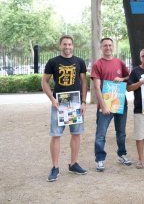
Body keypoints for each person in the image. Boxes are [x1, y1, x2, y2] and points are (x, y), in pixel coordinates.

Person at [42, 35, 88, 182]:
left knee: (76, 134)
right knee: (56, 135)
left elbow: (84, 82)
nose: (67, 47)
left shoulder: (80, 62)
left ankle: (73, 164)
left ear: (73, 46)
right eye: (64, 44)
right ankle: (55, 167)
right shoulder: (52, 62)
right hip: (59, 103)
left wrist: (83, 101)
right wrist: (52, 99)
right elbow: (44, 82)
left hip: (75, 102)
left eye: (69, 44)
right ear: (60, 45)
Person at [91, 38, 132, 172]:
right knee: (101, 134)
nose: (108, 47)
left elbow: (128, 77)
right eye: (105, 46)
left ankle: (122, 155)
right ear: (101, 48)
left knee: (121, 133)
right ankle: (100, 160)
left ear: (113, 47)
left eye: (110, 45)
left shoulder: (119, 62)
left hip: (121, 104)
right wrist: (103, 106)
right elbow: (97, 87)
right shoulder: (97, 64)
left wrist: (122, 78)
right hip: (105, 106)